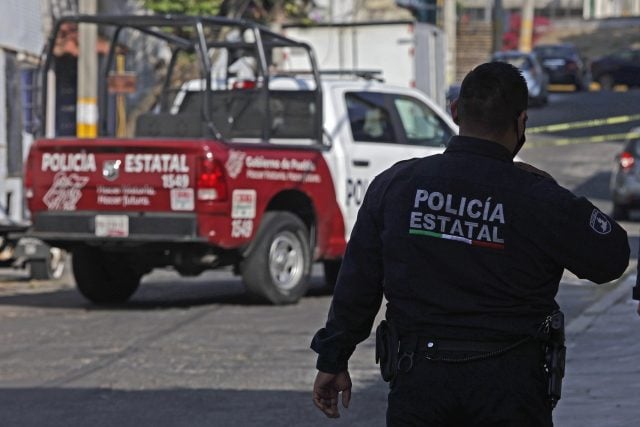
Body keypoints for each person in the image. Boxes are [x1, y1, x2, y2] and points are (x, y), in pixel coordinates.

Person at [310, 62, 630, 426]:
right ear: (521, 121)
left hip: (420, 382)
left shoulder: (396, 185)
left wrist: (333, 359)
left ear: (456, 111)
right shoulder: (539, 198)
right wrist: (556, 193)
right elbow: (612, 258)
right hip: (510, 388)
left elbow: (358, 284)